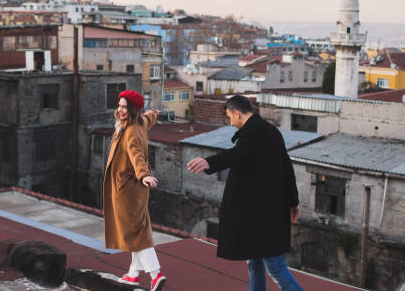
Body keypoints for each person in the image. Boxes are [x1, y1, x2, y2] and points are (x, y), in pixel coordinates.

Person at [187, 95, 302, 291]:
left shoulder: (253, 133)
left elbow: (236, 154)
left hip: (264, 214)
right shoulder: (270, 131)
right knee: (254, 261)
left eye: (229, 117)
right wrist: (293, 201)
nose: (230, 122)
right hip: (262, 212)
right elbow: (286, 168)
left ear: (237, 113)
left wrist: (209, 162)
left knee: (275, 266)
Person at [103, 90, 166, 291]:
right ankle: (132, 275)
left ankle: (156, 275)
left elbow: (136, 154)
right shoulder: (139, 122)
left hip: (126, 189)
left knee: (136, 235)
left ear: (132, 110)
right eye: (119, 105)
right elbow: (148, 118)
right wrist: (155, 112)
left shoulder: (130, 130)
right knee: (135, 232)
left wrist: (144, 173)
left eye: (125, 107)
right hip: (133, 189)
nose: (121, 110)